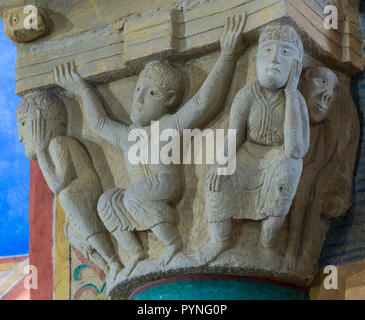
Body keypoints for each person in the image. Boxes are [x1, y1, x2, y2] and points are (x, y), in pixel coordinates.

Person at [54, 13, 247, 277]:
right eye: (137, 90)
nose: (140, 99)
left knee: (133, 196)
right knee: (107, 202)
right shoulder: (128, 135)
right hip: (141, 193)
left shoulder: (171, 126)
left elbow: (204, 102)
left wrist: (227, 56)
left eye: (152, 93)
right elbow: (99, 124)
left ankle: (172, 242)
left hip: (164, 183)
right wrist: (83, 91)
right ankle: (134, 253)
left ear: (169, 101)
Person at [200, 23, 310, 264]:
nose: (274, 59)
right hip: (247, 155)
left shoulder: (296, 100)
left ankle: (267, 243)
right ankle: (220, 240)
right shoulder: (247, 94)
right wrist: (221, 162)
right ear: (257, 56)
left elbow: (295, 149)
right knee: (216, 179)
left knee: (289, 171)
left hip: (277, 158)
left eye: (284, 53)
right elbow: (234, 136)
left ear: (297, 65)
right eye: (268, 50)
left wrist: (291, 92)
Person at [16, 91, 123, 284]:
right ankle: (107, 267)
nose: (19, 136)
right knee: (71, 231)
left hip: (86, 188)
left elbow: (59, 184)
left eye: (23, 124)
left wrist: (40, 151)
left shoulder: (58, 143)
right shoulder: (52, 149)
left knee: (66, 197)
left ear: (41, 122)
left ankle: (114, 260)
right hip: (79, 192)